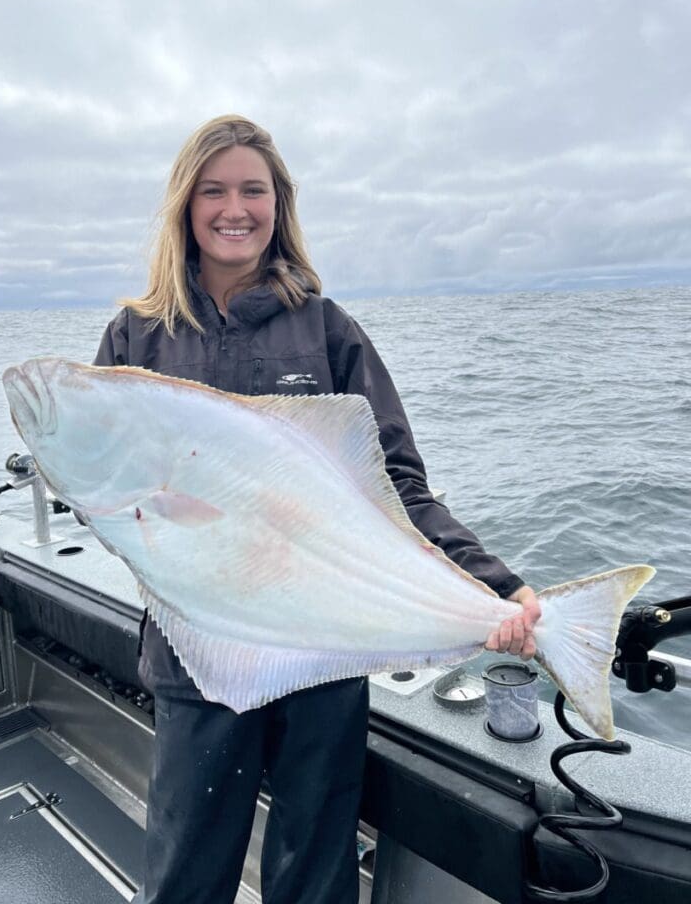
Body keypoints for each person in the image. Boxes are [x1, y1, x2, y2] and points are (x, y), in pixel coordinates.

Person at [94, 115, 540, 904]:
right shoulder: (137, 336)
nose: (235, 209)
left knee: (316, 872)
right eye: (214, 190)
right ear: (184, 206)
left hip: (324, 649)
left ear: (280, 204)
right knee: (184, 872)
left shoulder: (329, 331)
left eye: (253, 190)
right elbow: (102, 472)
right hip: (196, 652)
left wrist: (493, 584)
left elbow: (397, 481)